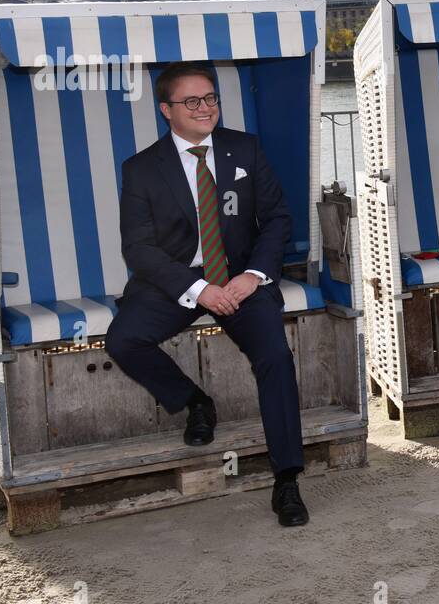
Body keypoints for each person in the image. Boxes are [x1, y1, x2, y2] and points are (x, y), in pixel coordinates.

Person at [104, 62, 310, 524]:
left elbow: (277, 219)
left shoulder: (245, 149)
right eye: (192, 101)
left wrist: (254, 275)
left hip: (240, 278)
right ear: (166, 110)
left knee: (275, 356)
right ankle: (195, 401)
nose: (205, 108)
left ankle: (287, 479)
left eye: (211, 98)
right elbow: (138, 248)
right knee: (123, 339)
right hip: (177, 280)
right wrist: (198, 290)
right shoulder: (141, 169)